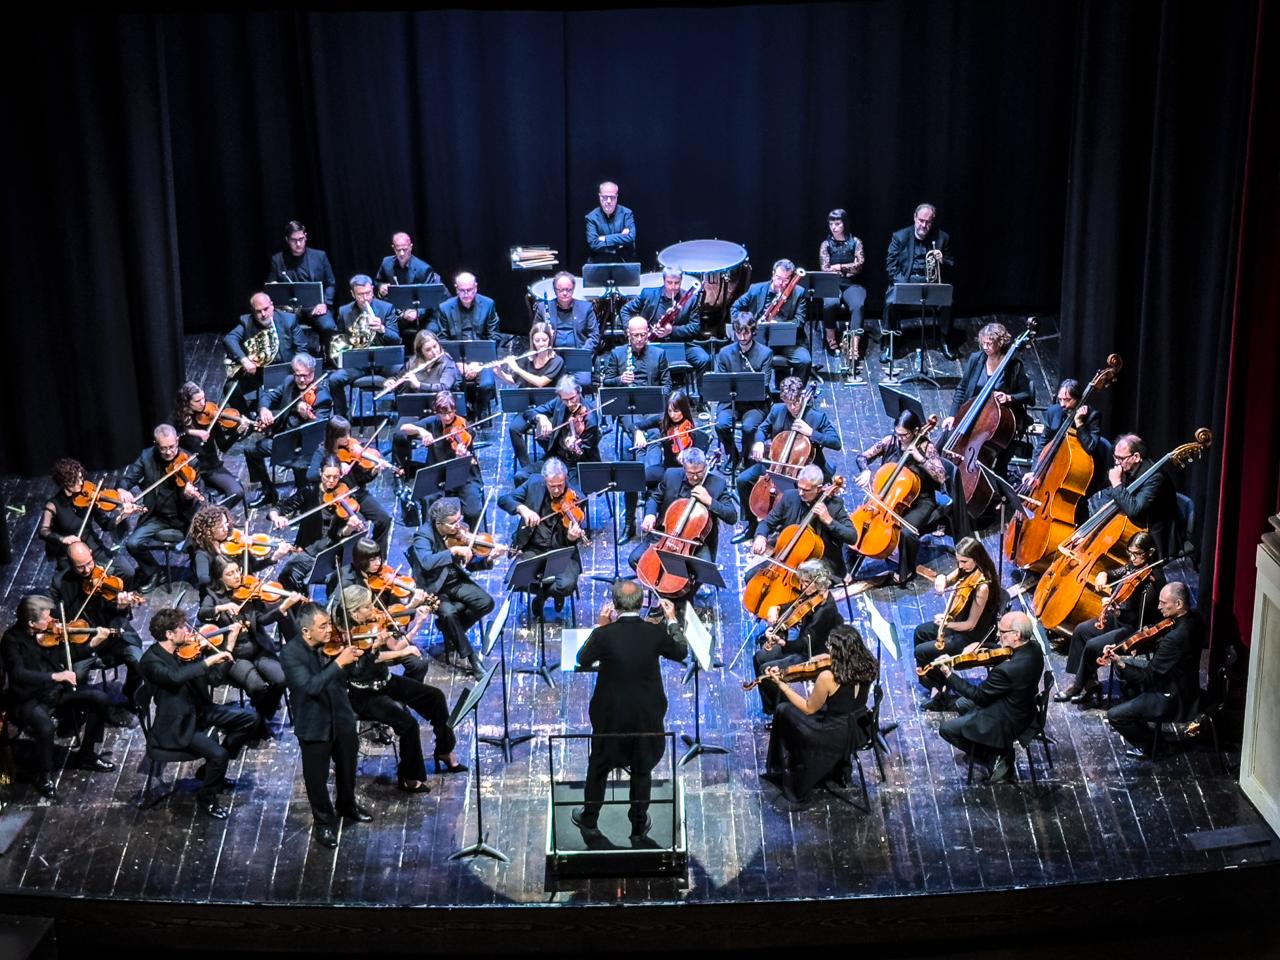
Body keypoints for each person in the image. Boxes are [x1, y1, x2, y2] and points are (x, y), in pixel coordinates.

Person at [572, 581, 686, 840]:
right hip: (646, 716)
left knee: (599, 766)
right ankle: (638, 826)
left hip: (610, 717)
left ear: (614, 605)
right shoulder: (655, 633)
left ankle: (590, 820)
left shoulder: (604, 635)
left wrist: (601, 626)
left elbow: (582, 658)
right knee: (642, 769)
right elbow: (680, 651)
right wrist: (671, 619)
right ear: (643, 603)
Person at [331, 585, 464, 793]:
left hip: (386, 681)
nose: (373, 610)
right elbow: (357, 669)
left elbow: (387, 652)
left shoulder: (370, 624)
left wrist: (415, 627)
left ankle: (445, 750)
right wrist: (376, 649)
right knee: (408, 725)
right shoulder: (340, 638)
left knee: (435, 697)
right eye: (367, 607)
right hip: (364, 694)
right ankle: (409, 777)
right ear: (354, 613)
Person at [139, 606, 258, 818]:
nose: (188, 632)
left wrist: (228, 645)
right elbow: (175, 678)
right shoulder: (151, 661)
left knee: (250, 719)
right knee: (219, 755)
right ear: (169, 634)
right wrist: (207, 660)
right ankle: (207, 797)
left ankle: (210, 772)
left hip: (200, 711)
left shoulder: (188, 652)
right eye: (183, 628)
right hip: (177, 725)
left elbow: (215, 679)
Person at [2, 594, 116, 801]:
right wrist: (55, 676)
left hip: (53, 692)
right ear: (31, 623)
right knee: (46, 728)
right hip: (27, 699)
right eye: (46, 618)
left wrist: (93, 643)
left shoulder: (48, 634)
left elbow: (66, 655)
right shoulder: (11, 640)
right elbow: (18, 674)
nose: (52, 621)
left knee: (99, 698)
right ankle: (44, 775)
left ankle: (87, 755)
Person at [280, 601, 372, 849]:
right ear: (306, 631)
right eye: (323, 626)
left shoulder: (335, 645)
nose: (330, 630)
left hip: (341, 717)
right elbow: (311, 687)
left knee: (347, 766)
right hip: (314, 724)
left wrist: (366, 654)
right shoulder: (290, 654)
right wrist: (339, 662)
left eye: (329, 624)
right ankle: (323, 822)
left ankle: (347, 805)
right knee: (316, 779)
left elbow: (354, 675)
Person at [763, 623, 877, 801]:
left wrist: (782, 685)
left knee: (783, 710)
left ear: (838, 651)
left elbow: (809, 708)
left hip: (832, 734)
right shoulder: (869, 664)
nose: (827, 649)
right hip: (859, 729)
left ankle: (790, 768)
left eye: (830, 646)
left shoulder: (828, 678)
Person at [935, 611, 1045, 783]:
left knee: (946, 729)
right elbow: (1004, 652)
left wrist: (949, 674)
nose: (999, 635)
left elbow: (979, 696)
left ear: (1016, 635)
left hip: (1008, 719)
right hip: (1025, 706)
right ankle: (989, 746)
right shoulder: (1035, 649)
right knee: (962, 703)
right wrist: (984, 646)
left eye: (1002, 632)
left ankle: (993, 756)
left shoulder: (1006, 670)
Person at [198, 554, 299, 738]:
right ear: (219, 577)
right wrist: (222, 608)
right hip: (234, 655)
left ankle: (263, 713)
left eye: (237, 571)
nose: (237, 576)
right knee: (257, 687)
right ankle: (260, 721)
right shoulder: (212, 596)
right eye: (230, 574)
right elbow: (202, 613)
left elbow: (262, 619)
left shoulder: (248, 591)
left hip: (258, 648)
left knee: (281, 679)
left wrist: (282, 608)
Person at [1057, 532, 1165, 704]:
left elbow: (1138, 619)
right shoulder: (1134, 565)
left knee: (1093, 645)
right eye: (1130, 553)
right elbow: (1116, 573)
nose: (1132, 558)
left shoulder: (1152, 581)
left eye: (1137, 554)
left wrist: (1118, 613)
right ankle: (1090, 683)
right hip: (1122, 618)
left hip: (1136, 629)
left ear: (1150, 553)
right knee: (1081, 631)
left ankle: (1077, 686)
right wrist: (1103, 574)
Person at [1103, 581, 1204, 759]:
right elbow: (1161, 644)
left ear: (1178, 604)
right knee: (1126, 674)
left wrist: (1120, 662)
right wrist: (1127, 648)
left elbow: (1148, 676)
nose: (1158, 607)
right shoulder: (1195, 619)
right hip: (1185, 682)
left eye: (1163, 603)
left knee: (1115, 715)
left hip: (1171, 696)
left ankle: (1153, 746)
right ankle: (1142, 719)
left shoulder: (1175, 638)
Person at [733, 376, 840, 544]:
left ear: (802, 396)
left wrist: (811, 433)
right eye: (788, 403)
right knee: (743, 480)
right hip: (777, 464)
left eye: (796, 402)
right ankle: (753, 526)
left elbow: (836, 442)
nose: (793, 408)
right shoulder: (777, 410)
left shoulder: (817, 417)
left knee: (793, 496)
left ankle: (787, 533)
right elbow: (762, 429)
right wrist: (759, 442)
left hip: (802, 470)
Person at [407, 497, 504, 676]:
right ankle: (472, 659)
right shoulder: (423, 536)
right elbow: (427, 562)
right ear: (439, 523)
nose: (458, 526)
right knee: (449, 613)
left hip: (454, 580)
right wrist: (452, 551)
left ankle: (451, 632)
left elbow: (470, 564)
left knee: (486, 602)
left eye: (459, 519)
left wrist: (489, 558)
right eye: (453, 523)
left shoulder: (458, 533)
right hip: (434, 587)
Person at [851, 410, 947, 585]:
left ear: (916, 431)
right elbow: (862, 457)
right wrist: (865, 470)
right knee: (856, 524)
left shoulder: (927, 448)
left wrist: (920, 458)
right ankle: (848, 569)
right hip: (887, 497)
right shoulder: (890, 441)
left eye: (904, 435)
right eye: (898, 433)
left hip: (920, 500)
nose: (900, 438)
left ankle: (906, 571)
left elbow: (941, 476)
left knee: (907, 533)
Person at [600, 316, 672, 538]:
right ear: (628, 335)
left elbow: (667, 385)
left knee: (652, 434)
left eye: (643, 334)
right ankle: (633, 518)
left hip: (651, 409)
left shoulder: (659, 354)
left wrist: (654, 396)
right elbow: (606, 383)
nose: (640, 339)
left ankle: (644, 485)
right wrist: (620, 379)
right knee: (639, 436)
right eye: (636, 335)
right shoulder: (617, 354)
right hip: (627, 408)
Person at [941, 321, 1035, 492]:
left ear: (1000, 342)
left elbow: (1027, 394)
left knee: (997, 463)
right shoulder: (976, 359)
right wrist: (953, 415)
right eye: (983, 343)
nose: (985, 347)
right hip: (972, 414)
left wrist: (1009, 397)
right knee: (949, 440)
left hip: (998, 421)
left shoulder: (1013, 365)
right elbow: (962, 388)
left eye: (989, 343)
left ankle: (993, 492)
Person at [912, 537, 1003, 708]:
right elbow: (947, 579)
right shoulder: (967, 569)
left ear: (976, 558)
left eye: (964, 561)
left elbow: (970, 625)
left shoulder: (982, 587)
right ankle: (937, 684)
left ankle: (938, 691)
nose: (960, 565)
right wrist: (941, 580)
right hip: (958, 624)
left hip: (971, 635)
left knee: (921, 652)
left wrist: (945, 624)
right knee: (920, 632)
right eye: (958, 561)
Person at [50, 541, 145, 704]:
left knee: (140, 662)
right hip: (84, 641)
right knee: (75, 677)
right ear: (70, 563)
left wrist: (121, 606)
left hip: (114, 634)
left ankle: (131, 695)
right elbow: (55, 615)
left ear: (91, 553)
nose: (87, 570)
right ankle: (88, 707)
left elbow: (117, 614)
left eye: (89, 563)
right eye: (80, 567)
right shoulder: (60, 583)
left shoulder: (108, 573)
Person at [331, 537, 436, 684]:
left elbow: (394, 615)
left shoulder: (381, 576)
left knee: (419, 663)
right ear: (361, 560)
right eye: (372, 559)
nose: (378, 563)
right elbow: (336, 613)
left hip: (384, 628)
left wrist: (412, 606)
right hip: (362, 636)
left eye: (379, 557)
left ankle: (404, 691)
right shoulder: (347, 582)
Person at [120, 423, 206, 592]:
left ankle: (196, 565)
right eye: (163, 448)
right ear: (155, 444)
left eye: (172, 447)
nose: (168, 452)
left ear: (178, 441)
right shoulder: (146, 457)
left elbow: (199, 497)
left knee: (200, 540)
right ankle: (154, 572)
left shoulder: (191, 461)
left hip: (184, 517)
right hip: (156, 516)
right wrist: (122, 489)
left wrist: (188, 496)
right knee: (132, 543)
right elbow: (128, 479)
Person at [753, 558, 844, 716]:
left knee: (766, 671)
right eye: (801, 582)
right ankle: (771, 708)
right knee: (759, 657)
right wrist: (776, 608)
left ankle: (785, 710)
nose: (802, 587)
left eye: (806, 582)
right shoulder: (811, 594)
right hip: (802, 645)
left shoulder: (825, 610)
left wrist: (782, 642)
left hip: (813, 654)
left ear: (818, 582)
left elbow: (805, 644)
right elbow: (794, 606)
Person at [267, 455, 369, 593]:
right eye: (327, 476)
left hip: (333, 553)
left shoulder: (345, 493)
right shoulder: (309, 492)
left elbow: (343, 534)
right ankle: (302, 602)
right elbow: (278, 508)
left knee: (339, 581)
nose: (331, 481)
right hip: (307, 550)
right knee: (286, 576)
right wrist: (277, 518)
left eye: (336, 477)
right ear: (320, 473)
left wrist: (350, 527)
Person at [498, 458, 587, 616]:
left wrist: (571, 538)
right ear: (545, 480)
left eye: (560, 485)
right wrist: (523, 509)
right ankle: (547, 592)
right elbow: (504, 500)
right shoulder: (534, 483)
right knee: (513, 580)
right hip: (533, 548)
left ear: (566, 478)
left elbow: (572, 538)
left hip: (562, 551)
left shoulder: (577, 497)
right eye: (552, 486)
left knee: (566, 585)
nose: (557, 491)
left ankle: (542, 597)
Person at [632, 446, 738, 576]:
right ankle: (658, 585)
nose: (695, 478)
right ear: (684, 467)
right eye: (690, 473)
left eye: (699, 472)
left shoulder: (718, 484)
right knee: (635, 560)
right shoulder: (671, 475)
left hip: (696, 542)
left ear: (705, 467)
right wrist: (650, 514)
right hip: (666, 533)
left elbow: (732, 516)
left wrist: (710, 501)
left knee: (703, 573)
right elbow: (655, 497)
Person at [244, 352, 333, 508]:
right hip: (282, 439)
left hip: (303, 446)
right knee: (251, 450)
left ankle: (302, 496)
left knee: (300, 469)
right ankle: (268, 491)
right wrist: (264, 409)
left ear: (313, 373)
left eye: (306, 376)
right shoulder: (289, 382)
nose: (302, 380)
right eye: (298, 375)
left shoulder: (322, 397)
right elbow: (268, 396)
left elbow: (318, 430)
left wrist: (307, 418)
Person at [751, 464, 858, 581]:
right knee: (750, 577)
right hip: (788, 555)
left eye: (806, 490)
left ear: (818, 488)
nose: (801, 493)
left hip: (820, 564)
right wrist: (761, 537)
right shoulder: (789, 496)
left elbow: (852, 537)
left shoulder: (834, 505)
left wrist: (829, 521)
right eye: (799, 487)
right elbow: (767, 522)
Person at [38, 457, 136, 580]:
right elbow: (43, 531)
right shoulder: (53, 505)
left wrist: (122, 516)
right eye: (75, 480)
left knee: (128, 571)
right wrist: (63, 539)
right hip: (70, 555)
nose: (81, 483)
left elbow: (105, 525)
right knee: (84, 581)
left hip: (93, 548)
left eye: (81, 478)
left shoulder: (87, 496)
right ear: (64, 483)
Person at [395, 393, 484, 527]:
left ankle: (469, 537)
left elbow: (468, 452)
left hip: (464, 476)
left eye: (450, 412)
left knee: (473, 512)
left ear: (455, 410)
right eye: (443, 414)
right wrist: (422, 431)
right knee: (429, 506)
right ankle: (434, 537)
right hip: (438, 477)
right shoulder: (432, 422)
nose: (447, 417)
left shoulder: (465, 427)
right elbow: (403, 429)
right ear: (437, 412)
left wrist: (461, 456)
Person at [305, 416, 394, 549]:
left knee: (384, 519)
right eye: (343, 435)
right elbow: (310, 475)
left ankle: (377, 555)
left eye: (348, 433)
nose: (348, 438)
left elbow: (362, 478)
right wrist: (337, 467)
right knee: (356, 530)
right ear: (333, 436)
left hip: (356, 493)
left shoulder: (350, 449)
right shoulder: (322, 452)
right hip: (338, 500)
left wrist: (374, 470)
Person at [1090, 433, 1180, 560]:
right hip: (1135, 530)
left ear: (1136, 457)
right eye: (1115, 457)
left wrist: (1117, 484)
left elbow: (1134, 510)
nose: (1116, 462)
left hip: (1152, 542)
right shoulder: (1127, 470)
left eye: (1120, 458)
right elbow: (1111, 495)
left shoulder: (1155, 477)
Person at [883, 203, 956, 359]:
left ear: (932, 221)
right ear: (915, 218)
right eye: (921, 220)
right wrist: (903, 285)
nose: (924, 225)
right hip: (907, 281)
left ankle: (945, 340)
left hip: (931, 282)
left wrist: (942, 261)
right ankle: (890, 342)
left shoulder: (942, 238)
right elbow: (891, 267)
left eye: (928, 222)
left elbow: (951, 265)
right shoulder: (900, 236)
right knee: (890, 301)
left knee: (948, 301)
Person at [620, 267, 710, 391]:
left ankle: (702, 398)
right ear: (664, 280)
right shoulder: (648, 294)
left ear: (681, 280)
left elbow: (695, 328)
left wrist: (671, 330)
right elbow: (625, 310)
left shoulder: (690, 299)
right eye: (669, 282)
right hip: (651, 344)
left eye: (677, 283)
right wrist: (631, 330)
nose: (673, 287)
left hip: (680, 344)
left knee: (704, 359)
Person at [222, 292, 311, 409]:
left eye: (266, 309)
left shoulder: (288, 320)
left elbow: (302, 350)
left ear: (272, 306)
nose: (263, 314)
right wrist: (244, 360)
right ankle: (245, 418)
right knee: (229, 388)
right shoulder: (247, 322)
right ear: (252, 311)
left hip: (286, 372)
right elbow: (229, 339)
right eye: (258, 311)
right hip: (259, 373)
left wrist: (296, 371)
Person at [495, 321, 564, 469]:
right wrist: (499, 372)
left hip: (547, 409)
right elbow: (513, 380)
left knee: (542, 433)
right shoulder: (528, 358)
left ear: (550, 340)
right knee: (514, 429)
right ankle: (526, 467)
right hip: (528, 408)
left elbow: (540, 382)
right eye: (537, 340)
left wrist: (517, 369)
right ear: (532, 341)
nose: (541, 344)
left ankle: (554, 461)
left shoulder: (557, 361)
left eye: (544, 340)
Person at [430, 272, 500, 416]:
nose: (466, 294)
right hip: (455, 358)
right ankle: (462, 413)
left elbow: (494, 337)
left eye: (469, 290)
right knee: (450, 385)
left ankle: (478, 411)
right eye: (462, 290)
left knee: (487, 385)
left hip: (482, 358)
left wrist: (478, 362)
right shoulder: (445, 308)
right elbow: (443, 340)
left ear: (476, 287)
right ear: (456, 289)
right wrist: (458, 363)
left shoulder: (488, 304)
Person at [172, 381, 248, 512]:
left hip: (211, 467)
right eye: (197, 401)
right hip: (189, 470)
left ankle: (214, 516)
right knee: (196, 504)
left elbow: (223, 447)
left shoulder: (210, 414)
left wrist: (237, 433)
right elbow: (171, 435)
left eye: (203, 398)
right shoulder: (177, 419)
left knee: (237, 492)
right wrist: (193, 432)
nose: (203, 403)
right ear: (187, 403)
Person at [732, 259, 811, 383]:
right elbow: (735, 307)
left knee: (805, 360)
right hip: (759, 340)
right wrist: (745, 325)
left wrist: (779, 326)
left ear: (791, 279)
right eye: (778, 278)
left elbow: (799, 321)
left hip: (787, 342)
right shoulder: (756, 289)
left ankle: (793, 392)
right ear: (773, 275)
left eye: (786, 279)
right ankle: (762, 392)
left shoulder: (798, 292)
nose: (781, 283)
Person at [714, 312, 774, 471]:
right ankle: (733, 456)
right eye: (738, 333)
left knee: (749, 427)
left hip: (755, 404)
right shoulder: (724, 353)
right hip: (730, 402)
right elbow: (721, 383)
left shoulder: (765, 353)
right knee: (721, 425)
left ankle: (745, 457)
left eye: (746, 333)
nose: (742, 337)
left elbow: (764, 384)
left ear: (753, 332)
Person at [266, 220, 337, 341]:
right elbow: (271, 288)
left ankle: (329, 354)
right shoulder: (277, 260)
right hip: (289, 310)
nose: (298, 244)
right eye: (294, 240)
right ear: (287, 239)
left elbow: (331, 284)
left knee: (329, 326)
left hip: (315, 307)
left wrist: (324, 303)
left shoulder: (320, 256)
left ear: (306, 236)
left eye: (301, 239)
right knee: (278, 328)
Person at [525, 376, 602, 484]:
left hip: (576, 466)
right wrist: (541, 418)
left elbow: (584, 453)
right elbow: (529, 412)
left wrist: (572, 448)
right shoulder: (559, 402)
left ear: (579, 392)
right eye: (565, 400)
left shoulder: (589, 419)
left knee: (569, 492)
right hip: (556, 458)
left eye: (572, 398)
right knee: (521, 476)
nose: (569, 403)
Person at [536, 272, 600, 389]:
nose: (565, 293)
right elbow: (535, 334)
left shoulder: (586, 308)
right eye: (561, 290)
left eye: (568, 290)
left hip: (578, 356)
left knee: (583, 382)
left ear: (573, 289)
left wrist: (583, 353)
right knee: (544, 381)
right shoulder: (543, 308)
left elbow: (594, 335)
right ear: (555, 290)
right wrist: (545, 335)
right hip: (552, 357)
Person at [817, 208, 867, 355]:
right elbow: (826, 269)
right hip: (832, 283)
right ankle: (830, 336)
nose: (834, 227)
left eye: (837, 224)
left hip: (852, 283)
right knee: (831, 304)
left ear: (844, 223)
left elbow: (859, 266)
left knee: (857, 305)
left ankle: (854, 344)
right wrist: (849, 268)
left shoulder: (856, 242)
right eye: (831, 224)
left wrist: (839, 266)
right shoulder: (826, 245)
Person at [375, 231, 441, 331]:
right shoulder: (386, 263)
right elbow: (377, 283)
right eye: (398, 250)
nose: (401, 253)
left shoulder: (423, 269)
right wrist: (381, 288)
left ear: (410, 247)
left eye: (405, 249)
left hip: (420, 317)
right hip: (395, 314)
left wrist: (417, 312)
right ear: (393, 248)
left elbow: (430, 297)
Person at [585, 180, 636, 263]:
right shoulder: (591, 217)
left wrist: (604, 238)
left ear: (617, 197)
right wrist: (620, 242)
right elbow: (593, 244)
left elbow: (631, 238)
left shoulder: (626, 213)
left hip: (624, 263)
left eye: (612, 197)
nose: (609, 201)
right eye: (605, 197)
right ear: (600, 196)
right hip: (598, 264)